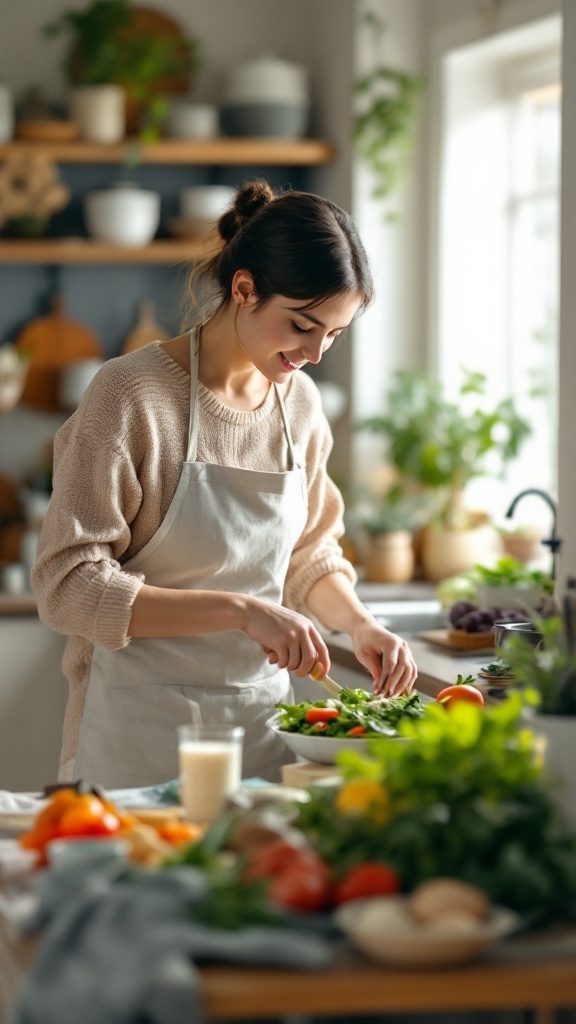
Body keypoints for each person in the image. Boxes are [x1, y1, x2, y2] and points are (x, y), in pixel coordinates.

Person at [32, 180, 418, 789]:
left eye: (334, 335)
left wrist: (361, 624)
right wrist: (242, 613)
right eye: (302, 325)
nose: (316, 352)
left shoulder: (301, 406)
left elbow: (309, 555)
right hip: (137, 737)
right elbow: (67, 584)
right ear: (244, 290)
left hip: (262, 732)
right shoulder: (130, 396)